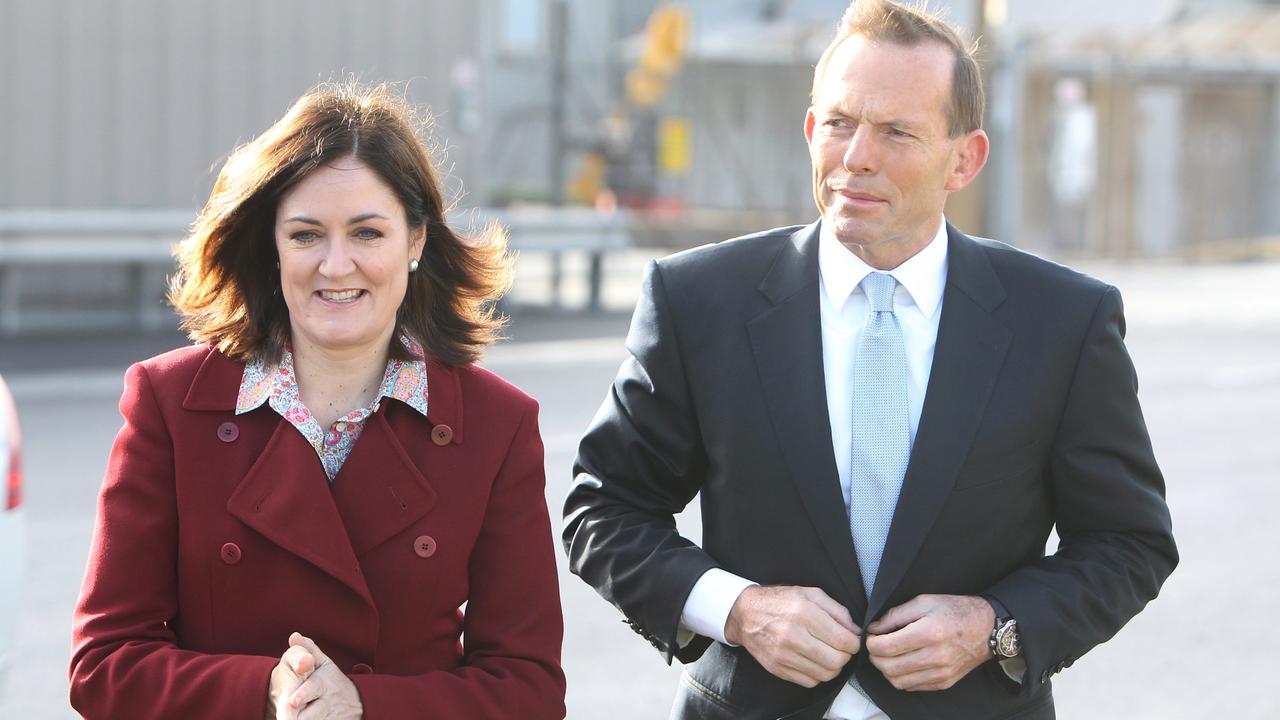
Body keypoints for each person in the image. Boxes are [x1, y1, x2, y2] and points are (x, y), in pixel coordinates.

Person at [562, 2, 1176, 718]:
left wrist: (993, 627)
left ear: (965, 158)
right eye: (840, 122)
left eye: (896, 131)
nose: (857, 155)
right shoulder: (698, 300)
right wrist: (738, 610)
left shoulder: (1063, 321)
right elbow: (604, 507)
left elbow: (1128, 542)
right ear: (809, 129)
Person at [70, 81, 566, 720]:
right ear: (270, 242)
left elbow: (528, 689)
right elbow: (104, 664)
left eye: (367, 233)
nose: (336, 266)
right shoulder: (169, 403)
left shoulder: (496, 424)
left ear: (415, 241)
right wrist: (268, 694)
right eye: (306, 235)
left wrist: (364, 704)